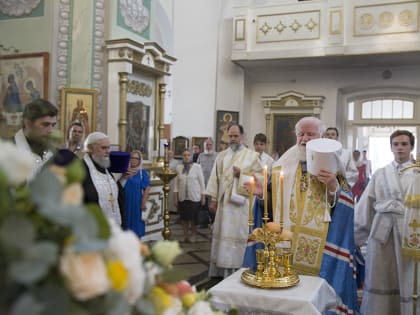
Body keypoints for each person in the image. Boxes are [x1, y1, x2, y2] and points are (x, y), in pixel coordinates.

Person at [251, 117, 360, 314]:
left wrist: (334, 187)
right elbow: (270, 204)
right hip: (285, 246)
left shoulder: (333, 162)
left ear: (321, 136)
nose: (304, 139)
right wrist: (260, 196)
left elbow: (347, 200)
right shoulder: (282, 164)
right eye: (301, 134)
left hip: (320, 250)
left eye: (310, 134)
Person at [355, 130, 416, 315]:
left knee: (408, 276)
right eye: (396, 144)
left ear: (411, 147)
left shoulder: (418, 173)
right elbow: (367, 204)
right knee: (381, 276)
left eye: (404, 144)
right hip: (381, 234)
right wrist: (356, 236)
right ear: (390, 147)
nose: (400, 148)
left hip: (410, 235)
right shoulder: (381, 173)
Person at [206, 123, 263, 278]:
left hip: (241, 206)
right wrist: (213, 199)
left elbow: (261, 179)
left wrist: (242, 175)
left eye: (235, 136)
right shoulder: (222, 155)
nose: (232, 139)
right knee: (223, 235)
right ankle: (222, 271)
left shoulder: (252, 156)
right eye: (230, 136)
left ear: (243, 137)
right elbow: (215, 178)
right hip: (224, 205)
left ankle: (239, 270)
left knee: (239, 235)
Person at [81, 131, 125, 227]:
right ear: (90, 148)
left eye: (108, 148)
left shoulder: (106, 168)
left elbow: (117, 197)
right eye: (103, 148)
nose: (108, 151)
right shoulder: (81, 169)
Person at [14, 98, 58, 181]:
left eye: (53, 125)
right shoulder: (5, 151)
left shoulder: (54, 153)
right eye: (45, 124)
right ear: (28, 124)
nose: (51, 131)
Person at [174, 148, 206, 243]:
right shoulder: (179, 167)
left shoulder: (197, 167)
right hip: (183, 197)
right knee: (184, 218)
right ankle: (185, 235)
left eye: (188, 155)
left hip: (194, 197)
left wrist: (203, 196)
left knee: (193, 219)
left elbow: (202, 183)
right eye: (184, 155)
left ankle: (194, 235)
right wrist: (175, 198)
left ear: (191, 156)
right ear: (182, 157)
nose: (186, 157)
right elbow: (176, 185)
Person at [120, 150, 151, 238]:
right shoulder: (124, 170)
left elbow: (147, 188)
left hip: (137, 203)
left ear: (139, 160)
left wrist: (143, 202)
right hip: (125, 201)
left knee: (136, 226)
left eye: (136, 158)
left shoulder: (142, 172)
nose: (133, 160)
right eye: (132, 158)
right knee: (125, 224)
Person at [197, 138, 218, 226]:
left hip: (213, 184)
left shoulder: (217, 155)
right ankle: (204, 222)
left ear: (212, 145)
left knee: (212, 204)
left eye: (210, 145)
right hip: (202, 184)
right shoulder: (200, 156)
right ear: (204, 146)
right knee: (203, 204)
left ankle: (213, 222)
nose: (208, 147)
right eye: (206, 145)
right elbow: (197, 168)